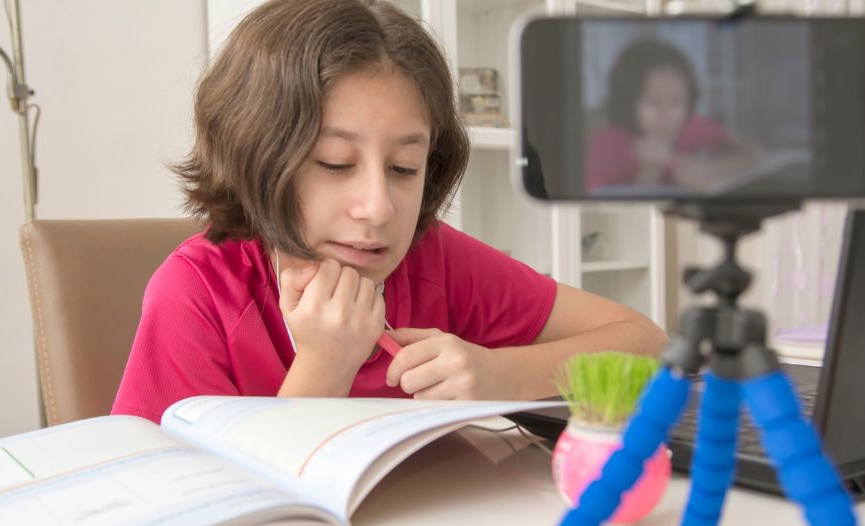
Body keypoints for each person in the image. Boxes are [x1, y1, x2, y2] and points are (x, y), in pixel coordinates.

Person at [111, 0, 667, 424]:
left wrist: (501, 372)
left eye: (404, 168)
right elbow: (184, 505)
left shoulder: (436, 260)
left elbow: (645, 342)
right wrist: (326, 364)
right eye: (333, 163)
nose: (378, 208)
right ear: (255, 155)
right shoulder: (198, 293)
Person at [585, 38, 761, 193]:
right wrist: (650, 169)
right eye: (653, 102)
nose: (666, 114)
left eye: (676, 102)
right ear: (627, 102)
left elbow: (753, 152)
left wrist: (709, 171)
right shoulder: (608, 143)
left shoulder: (691, 126)